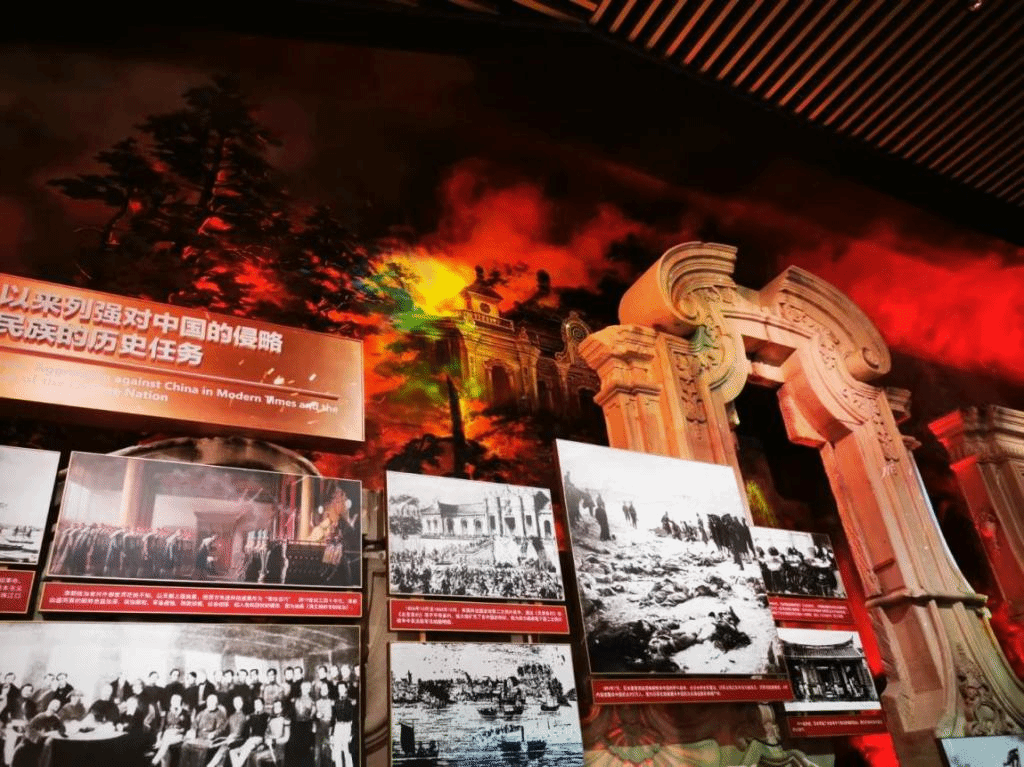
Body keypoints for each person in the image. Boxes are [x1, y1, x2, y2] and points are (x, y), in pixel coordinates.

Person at [151, 693, 190, 767]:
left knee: (165, 743)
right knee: (165, 748)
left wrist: (177, 731)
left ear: (180, 702)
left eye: (177, 701)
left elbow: (186, 728)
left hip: (178, 735)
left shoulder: (184, 713)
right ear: (171, 702)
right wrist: (158, 740)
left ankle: (154, 761)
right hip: (167, 735)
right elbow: (161, 728)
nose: (175, 702)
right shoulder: (166, 712)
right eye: (173, 701)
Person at [228, 697, 269, 767]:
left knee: (246, 749)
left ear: (263, 705)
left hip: (259, 739)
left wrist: (263, 743)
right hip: (249, 740)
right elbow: (245, 732)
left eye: (258, 704)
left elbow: (267, 732)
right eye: (255, 704)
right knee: (232, 751)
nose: (257, 706)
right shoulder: (250, 716)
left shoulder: (267, 716)